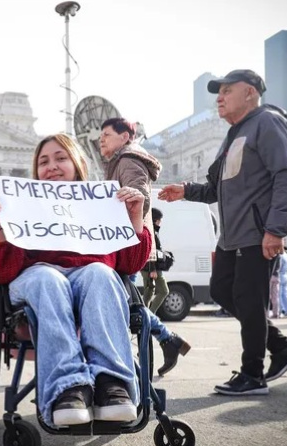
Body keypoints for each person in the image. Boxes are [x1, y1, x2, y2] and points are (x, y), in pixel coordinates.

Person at [0, 133, 152, 426]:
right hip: (38, 282)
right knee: (50, 279)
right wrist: (1, 231)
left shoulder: (104, 202)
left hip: (91, 281)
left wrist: (135, 221)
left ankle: (111, 384)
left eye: (61, 158)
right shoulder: (20, 206)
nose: (52, 167)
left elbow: (129, 264)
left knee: (101, 273)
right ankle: (68, 387)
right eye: (43, 161)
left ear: (78, 164)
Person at [158, 69, 287, 395]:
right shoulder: (233, 135)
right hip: (230, 236)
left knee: (250, 303)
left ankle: (253, 375)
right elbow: (215, 188)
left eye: (227, 90)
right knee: (223, 292)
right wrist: (184, 191)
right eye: (217, 92)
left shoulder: (267, 123)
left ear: (250, 93)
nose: (219, 98)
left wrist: (276, 229)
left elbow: (286, 176)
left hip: (257, 233)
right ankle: (281, 347)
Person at [99, 117, 190, 377]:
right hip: (120, 241)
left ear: (125, 137)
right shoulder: (120, 161)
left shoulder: (128, 160)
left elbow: (140, 194)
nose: (101, 139)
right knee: (131, 301)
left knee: (126, 302)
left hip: (126, 244)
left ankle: (163, 340)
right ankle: (168, 339)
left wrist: (128, 212)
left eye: (107, 134)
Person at [140, 208, 170, 314]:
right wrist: (153, 269)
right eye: (159, 220)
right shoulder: (151, 232)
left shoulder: (149, 230)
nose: (160, 222)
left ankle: (144, 315)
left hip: (146, 267)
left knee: (149, 292)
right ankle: (150, 314)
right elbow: (150, 251)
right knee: (163, 291)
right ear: (154, 220)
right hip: (151, 267)